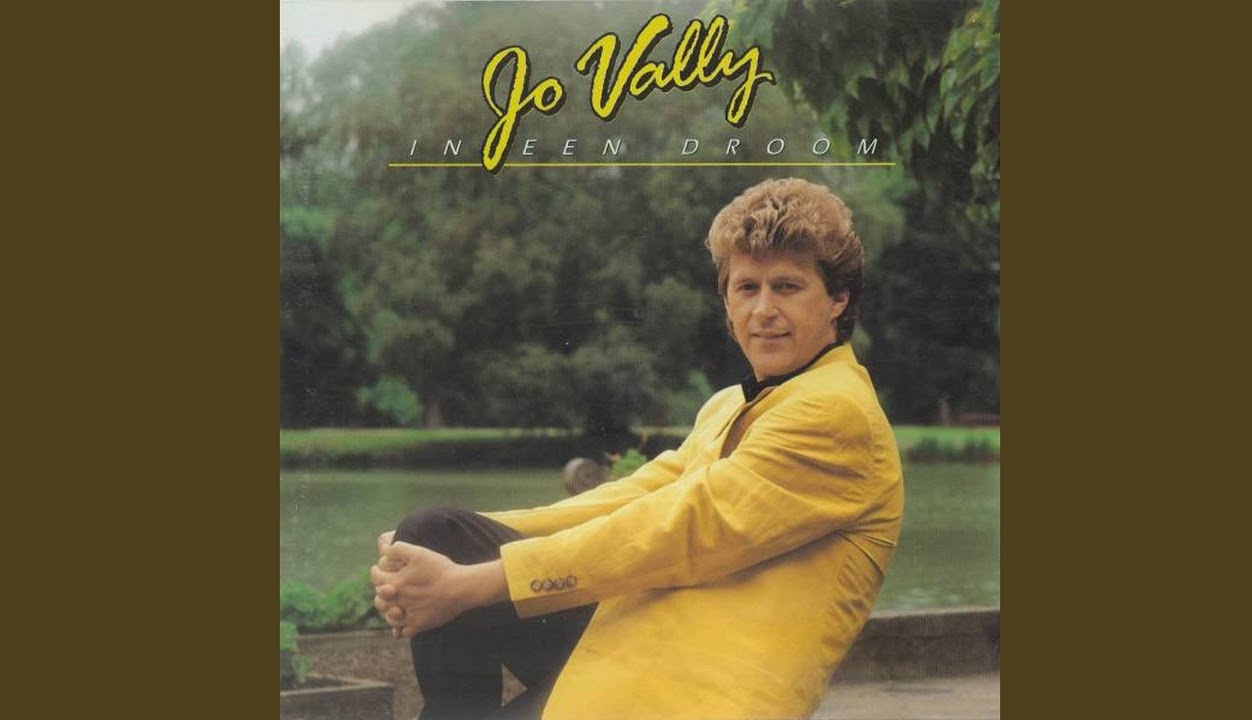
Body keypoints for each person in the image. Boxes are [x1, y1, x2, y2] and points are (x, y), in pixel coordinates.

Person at [370, 178, 904, 720]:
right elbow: (632, 497)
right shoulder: (730, 404)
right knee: (433, 532)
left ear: (838, 299)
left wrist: (470, 584)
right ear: (726, 300)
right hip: (630, 645)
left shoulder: (836, 412)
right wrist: (447, 558)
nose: (763, 309)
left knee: (452, 564)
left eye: (786, 287)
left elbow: (677, 528)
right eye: (747, 288)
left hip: (692, 693)